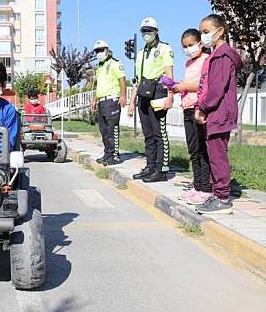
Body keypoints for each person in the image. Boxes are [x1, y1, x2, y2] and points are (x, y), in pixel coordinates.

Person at [194, 14, 242, 215]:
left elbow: (216, 90)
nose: (203, 36)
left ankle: (222, 197)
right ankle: (217, 192)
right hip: (216, 113)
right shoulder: (217, 55)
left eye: (206, 32)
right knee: (214, 154)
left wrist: (202, 107)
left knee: (218, 156)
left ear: (220, 31)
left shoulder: (223, 56)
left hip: (219, 112)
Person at [129, 17, 174, 183]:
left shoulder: (164, 49)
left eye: (149, 30)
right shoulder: (140, 53)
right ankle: (151, 166)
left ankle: (161, 169)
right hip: (143, 94)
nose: (146, 33)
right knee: (148, 134)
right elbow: (137, 80)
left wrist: (170, 96)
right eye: (144, 31)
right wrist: (132, 102)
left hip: (158, 92)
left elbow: (169, 75)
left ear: (156, 31)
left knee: (159, 133)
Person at [172, 29, 212, 204]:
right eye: (184, 47)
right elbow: (188, 84)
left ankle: (206, 188)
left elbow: (204, 84)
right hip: (187, 108)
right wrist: (178, 87)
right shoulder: (188, 63)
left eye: (190, 45)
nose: (188, 49)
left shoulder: (206, 60)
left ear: (200, 44)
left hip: (199, 107)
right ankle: (197, 185)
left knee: (203, 150)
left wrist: (184, 86)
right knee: (193, 150)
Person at [90, 40, 127, 166]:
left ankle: (115, 156)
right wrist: (95, 100)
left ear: (107, 50)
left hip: (112, 100)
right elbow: (99, 86)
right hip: (101, 101)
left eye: (101, 50)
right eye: (97, 51)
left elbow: (122, 79)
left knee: (112, 128)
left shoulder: (114, 63)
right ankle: (107, 154)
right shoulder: (99, 67)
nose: (99, 53)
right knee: (103, 130)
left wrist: (123, 95)